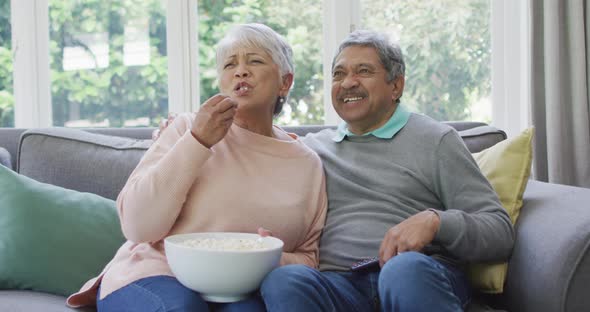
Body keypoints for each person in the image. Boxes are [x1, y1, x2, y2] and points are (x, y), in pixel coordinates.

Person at [65, 23, 327, 312]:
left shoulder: (306, 164)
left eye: (255, 60)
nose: (240, 71)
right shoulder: (188, 128)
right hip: (155, 273)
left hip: (241, 289)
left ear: (285, 82)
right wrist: (197, 141)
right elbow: (138, 226)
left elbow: (308, 258)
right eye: (230, 64)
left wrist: (270, 256)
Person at [257, 30, 515, 311]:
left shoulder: (436, 140)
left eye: (363, 71)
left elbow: (499, 232)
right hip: (339, 285)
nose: (348, 83)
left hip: (416, 276)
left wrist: (435, 222)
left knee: (402, 269)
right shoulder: (312, 150)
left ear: (396, 86)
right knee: (284, 280)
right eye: (338, 74)